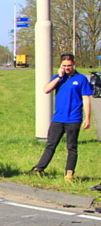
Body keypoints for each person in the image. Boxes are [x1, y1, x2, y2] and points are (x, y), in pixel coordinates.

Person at [31, 53, 93, 182]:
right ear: (60, 65)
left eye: (69, 65)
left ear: (73, 64)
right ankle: (39, 168)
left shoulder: (81, 79)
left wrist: (87, 118)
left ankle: (69, 173)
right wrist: (59, 77)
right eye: (64, 65)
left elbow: (86, 99)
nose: (67, 68)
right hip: (58, 118)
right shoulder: (58, 78)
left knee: (72, 147)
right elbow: (46, 89)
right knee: (51, 145)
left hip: (74, 118)